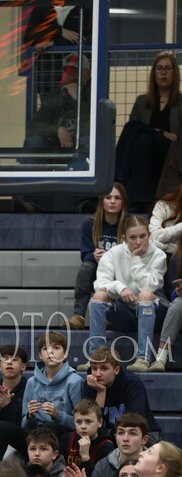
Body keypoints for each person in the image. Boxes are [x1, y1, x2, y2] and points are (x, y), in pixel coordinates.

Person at [82, 217, 168, 373]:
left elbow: (148, 286)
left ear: (149, 235)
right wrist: (120, 288)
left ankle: (143, 358)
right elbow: (100, 283)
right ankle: (95, 357)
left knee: (145, 295)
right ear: (124, 238)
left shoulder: (159, 255)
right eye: (133, 237)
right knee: (99, 296)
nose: (138, 242)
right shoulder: (113, 253)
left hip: (154, 313)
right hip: (125, 313)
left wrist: (135, 259)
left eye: (142, 236)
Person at [115, 51, 182, 213]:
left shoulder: (181, 102)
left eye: (168, 68)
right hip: (145, 153)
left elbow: (178, 138)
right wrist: (154, 133)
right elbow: (132, 139)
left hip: (170, 151)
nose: (163, 72)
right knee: (142, 140)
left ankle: (117, 178)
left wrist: (161, 133)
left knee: (135, 127)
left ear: (175, 74)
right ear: (154, 74)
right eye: (159, 68)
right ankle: (141, 199)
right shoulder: (142, 101)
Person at [67, 184, 128, 330]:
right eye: (108, 197)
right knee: (86, 267)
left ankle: (113, 315)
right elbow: (85, 254)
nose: (112, 201)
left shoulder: (129, 224)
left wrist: (110, 257)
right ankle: (79, 316)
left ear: (123, 202)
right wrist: (94, 256)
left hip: (121, 270)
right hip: (97, 268)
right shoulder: (90, 224)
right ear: (102, 201)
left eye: (117, 198)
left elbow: (133, 255)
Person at [81, 346, 161, 439]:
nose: (98, 374)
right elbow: (91, 423)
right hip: (107, 436)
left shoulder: (132, 383)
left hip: (142, 434)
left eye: (104, 369)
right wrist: (101, 392)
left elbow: (134, 422)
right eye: (94, 368)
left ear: (116, 370)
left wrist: (106, 435)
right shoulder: (90, 385)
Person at [22, 331, 83, 436]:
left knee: (49, 426)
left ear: (65, 353)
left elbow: (82, 423)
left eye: (56, 347)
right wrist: (30, 417)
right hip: (35, 435)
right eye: (45, 348)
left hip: (62, 435)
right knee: (3, 427)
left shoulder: (75, 381)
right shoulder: (32, 382)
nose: (50, 352)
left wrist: (57, 415)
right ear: (40, 355)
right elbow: (24, 425)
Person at [148, 235, 182, 371]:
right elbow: (171, 296)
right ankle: (161, 358)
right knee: (178, 304)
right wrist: (178, 292)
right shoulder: (176, 259)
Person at [59, 398, 114, 477]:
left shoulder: (106, 446)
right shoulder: (67, 439)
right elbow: (60, 471)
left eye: (88, 421)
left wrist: (85, 457)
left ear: (100, 422)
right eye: (79, 422)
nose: (83, 426)